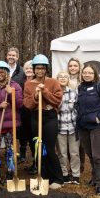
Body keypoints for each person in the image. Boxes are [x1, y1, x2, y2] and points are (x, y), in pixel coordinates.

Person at [23, 54, 64, 189]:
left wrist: (44, 91)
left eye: (42, 68)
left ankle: (57, 178)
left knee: (50, 148)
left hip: (50, 117)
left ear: (46, 69)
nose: (40, 71)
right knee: (39, 147)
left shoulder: (53, 82)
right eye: (37, 68)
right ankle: (44, 176)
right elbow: (27, 104)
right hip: (35, 117)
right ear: (34, 69)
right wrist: (35, 95)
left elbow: (57, 100)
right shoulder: (28, 84)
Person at [76, 63, 100, 195]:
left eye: (90, 73)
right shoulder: (80, 88)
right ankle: (94, 177)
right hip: (84, 127)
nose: (87, 75)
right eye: (85, 72)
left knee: (98, 156)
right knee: (90, 154)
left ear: (95, 75)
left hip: (98, 126)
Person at [56, 71, 80, 185]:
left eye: (65, 77)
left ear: (68, 79)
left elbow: (78, 108)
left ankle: (75, 175)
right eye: (60, 77)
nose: (63, 78)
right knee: (62, 153)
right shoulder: (54, 93)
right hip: (59, 127)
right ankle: (64, 174)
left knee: (74, 153)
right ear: (57, 79)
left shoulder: (74, 93)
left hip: (73, 127)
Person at [67, 57, 86, 173]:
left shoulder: (83, 81)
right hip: (67, 114)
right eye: (70, 66)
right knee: (70, 140)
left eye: (75, 66)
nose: (73, 68)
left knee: (80, 142)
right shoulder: (64, 79)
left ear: (79, 67)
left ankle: (81, 164)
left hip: (80, 113)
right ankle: (70, 164)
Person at [20, 60, 34, 168]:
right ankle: (23, 156)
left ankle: (36, 163)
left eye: (31, 68)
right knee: (24, 136)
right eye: (27, 68)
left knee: (34, 140)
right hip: (23, 113)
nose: (29, 70)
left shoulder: (37, 82)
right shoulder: (21, 81)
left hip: (33, 114)